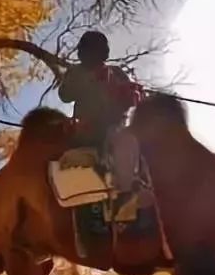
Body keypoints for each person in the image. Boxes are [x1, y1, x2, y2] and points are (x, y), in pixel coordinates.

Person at [57, 31, 148, 211]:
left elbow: (128, 103)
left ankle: (125, 193)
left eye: (99, 49)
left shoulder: (116, 72)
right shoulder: (75, 71)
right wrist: (91, 79)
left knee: (127, 140)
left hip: (114, 129)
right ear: (83, 52)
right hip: (85, 132)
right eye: (90, 49)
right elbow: (64, 94)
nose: (95, 54)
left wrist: (131, 95)